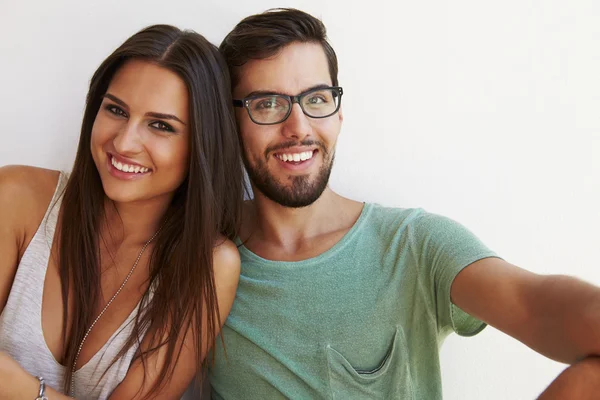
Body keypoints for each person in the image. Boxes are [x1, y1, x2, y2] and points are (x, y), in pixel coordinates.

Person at [209, 8, 600, 399]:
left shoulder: (415, 244)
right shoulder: (202, 257)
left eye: (316, 98)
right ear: (230, 122)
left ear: (338, 112)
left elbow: (532, 304)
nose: (299, 127)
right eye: (267, 104)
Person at [0, 24, 244, 399]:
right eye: (116, 109)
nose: (124, 142)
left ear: (202, 146)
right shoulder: (16, 197)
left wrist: (21, 389)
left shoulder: (207, 265)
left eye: (161, 125)